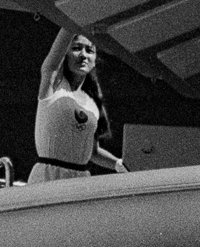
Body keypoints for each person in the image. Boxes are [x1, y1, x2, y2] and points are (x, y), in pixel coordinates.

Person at [28, 29, 127, 183]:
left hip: (80, 180)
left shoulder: (93, 103)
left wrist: (118, 164)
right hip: (48, 177)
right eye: (76, 48)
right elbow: (53, 61)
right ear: (65, 55)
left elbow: (92, 152)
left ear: (95, 60)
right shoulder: (54, 85)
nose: (83, 55)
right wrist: (77, 14)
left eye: (89, 50)